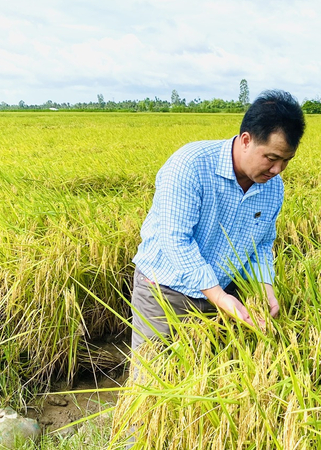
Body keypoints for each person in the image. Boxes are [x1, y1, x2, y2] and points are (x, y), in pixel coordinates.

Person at [130, 90, 305, 350]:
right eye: (271, 158)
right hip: (165, 292)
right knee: (153, 380)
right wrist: (219, 296)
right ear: (246, 140)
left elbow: (261, 245)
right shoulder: (189, 166)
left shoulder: (272, 187)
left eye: (286, 161)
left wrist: (266, 289)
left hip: (221, 293)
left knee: (212, 379)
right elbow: (175, 239)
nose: (277, 170)